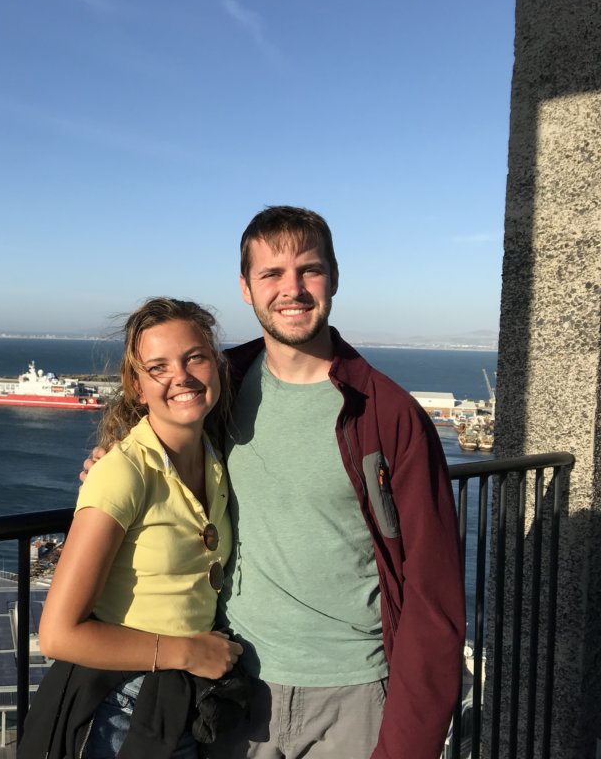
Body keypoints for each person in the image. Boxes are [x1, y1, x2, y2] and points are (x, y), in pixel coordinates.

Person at [83, 207, 465, 759]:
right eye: (271, 274)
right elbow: (156, 417)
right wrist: (111, 458)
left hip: (352, 692)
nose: (292, 290)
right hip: (235, 682)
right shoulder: (220, 384)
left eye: (308, 270)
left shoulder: (388, 415)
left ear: (333, 277)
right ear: (246, 288)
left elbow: (434, 595)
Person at [20, 298, 244, 759]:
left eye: (195, 357)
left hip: (181, 702)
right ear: (137, 387)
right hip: (121, 711)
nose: (180, 376)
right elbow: (58, 634)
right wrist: (188, 652)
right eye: (158, 367)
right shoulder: (123, 472)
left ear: (217, 367)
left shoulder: (216, 458)